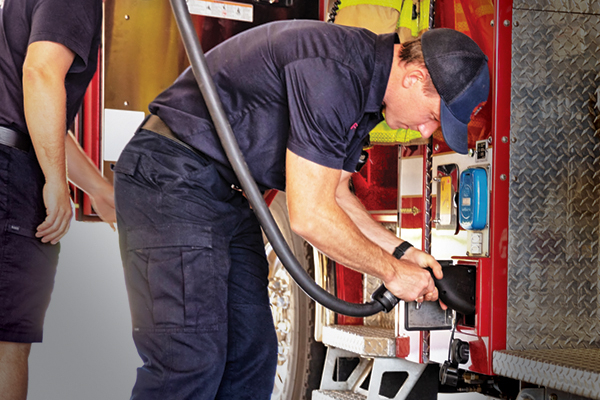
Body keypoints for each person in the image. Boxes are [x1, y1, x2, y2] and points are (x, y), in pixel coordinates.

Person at [114, 20, 489, 400]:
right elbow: (310, 216)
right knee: (189, 359)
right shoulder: (335, 72)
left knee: (251, 357)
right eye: (432, 115)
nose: (426, 132)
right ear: (413, 77)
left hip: (222, 195)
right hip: (171, 179)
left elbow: (337, 193)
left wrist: (403, 253)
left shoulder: (365, 89)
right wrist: (391, 273)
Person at [0, 1, 114, 399]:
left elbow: (41, 114)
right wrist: (54, 182)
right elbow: (41, 73)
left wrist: (99, 189)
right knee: (5, 343)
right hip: (9, 175)